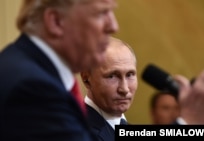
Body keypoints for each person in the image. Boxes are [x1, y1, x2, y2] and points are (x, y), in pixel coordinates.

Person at [0, 0, 118, 141]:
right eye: (101, 13)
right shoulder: (34, 90)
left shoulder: (24, 65)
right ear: (56, 21)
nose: (113, 26)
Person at [80, 37, 137, 141]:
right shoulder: (78, 133)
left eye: (130, 75)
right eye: (112, 76)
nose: (124, 89)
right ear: (86, 78)